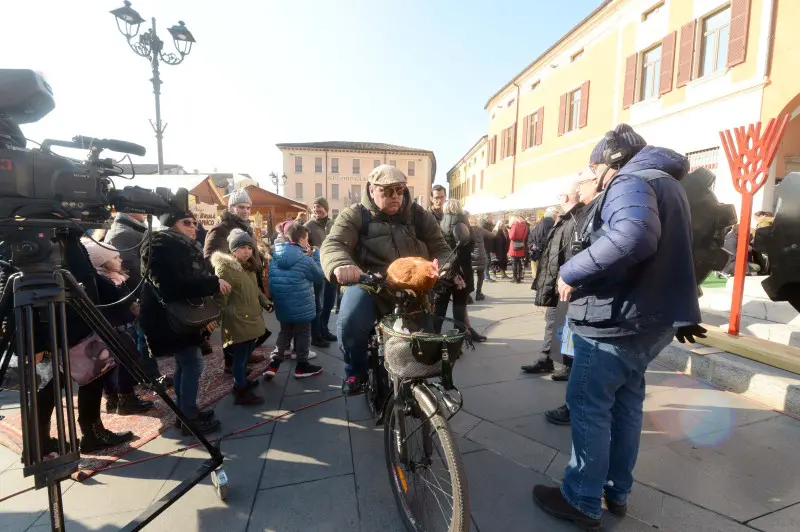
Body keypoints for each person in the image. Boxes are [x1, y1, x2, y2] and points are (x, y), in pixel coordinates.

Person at [532, 124, 705, 529]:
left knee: (589, 407)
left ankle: (581, 498)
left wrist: (572, 270)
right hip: (649, 320)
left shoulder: (629, 181)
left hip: (616, 320)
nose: (592, 177)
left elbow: (634, 237)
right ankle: (616, 493)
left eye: (593, 170)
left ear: (609, 163)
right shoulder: (665, 183)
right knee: (626, 407)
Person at [321, 165, 452, 395]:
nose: (396, 197)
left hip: (411, 286)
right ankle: (355, 371)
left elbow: (440, 247)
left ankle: (421, 390)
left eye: (400, 190)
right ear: (372, 190)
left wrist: (444, 266)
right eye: (388, 191)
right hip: (369, 283)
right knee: (351, 320)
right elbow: (333, 244)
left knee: (426, 341)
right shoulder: (355, 214)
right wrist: (341, 265)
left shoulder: (419, 215)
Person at [141, 210, 230, 435]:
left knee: (186, 363)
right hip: (169, 318)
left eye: (195, 222)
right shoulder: (160, 245)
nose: (194, 227)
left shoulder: (176, 244)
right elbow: (170, 286)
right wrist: (211, 283)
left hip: (179, 315)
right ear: (171, 224)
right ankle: (189, 416)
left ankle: (186, 413)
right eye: (187, 222)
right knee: (193, 363)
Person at [542, 168, 604, 426]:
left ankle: (576, 408)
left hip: (590, 296)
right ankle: (575, 403)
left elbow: (590, 252)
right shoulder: (589, 210)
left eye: (582, 183)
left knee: (585, 357)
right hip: (580, 290)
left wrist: (571, 275)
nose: (579, 189)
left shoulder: (597, 209)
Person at [83, 240, 154, 415]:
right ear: (101, 261)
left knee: (114, 364)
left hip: (117, 325)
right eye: (115, 257)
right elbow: (121, 301)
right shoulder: (104, 281)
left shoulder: (111, 278)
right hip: (116, 327)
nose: (120, 260)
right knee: (127, 361)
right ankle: (125, 399)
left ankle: (113, 398)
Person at [522, 179, 583, 376]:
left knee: (565, 325)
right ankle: (546, 359)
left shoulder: (575, 219)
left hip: (565, 282)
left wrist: (568, 279)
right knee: (552, 321)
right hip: (557, 280)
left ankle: (567, 365)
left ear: (565, 197)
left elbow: (573, 253)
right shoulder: (567, 218)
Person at [204, 189, 267, 370]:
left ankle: (244, 353)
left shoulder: (245, 227)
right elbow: (209, 258)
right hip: (230, 284)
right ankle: (232, 363)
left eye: (248, 207)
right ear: (231, 207)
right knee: (234, 325)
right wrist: (224, 275)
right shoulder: (221, 229)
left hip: (247, 279)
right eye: (241, 207)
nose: (246, 211)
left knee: (248, 321)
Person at [103, 212, 167, 385]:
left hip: (135, 294)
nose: (146, 212)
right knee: (142, 338)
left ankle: (148, 376)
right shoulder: (123, 233)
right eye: (141, 208)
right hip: (134, 295)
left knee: (142, 336)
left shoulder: (130, 229)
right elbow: (132, 269)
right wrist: (144, 295)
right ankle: (148, 377)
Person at [212, 229, 273, 405]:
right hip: (238, 320)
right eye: (242, 247)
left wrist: (265, 302)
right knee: (239, 358)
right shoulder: (227, 268)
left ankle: (241, 382)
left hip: (251, 317)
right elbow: (220, 297)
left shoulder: (248, 267)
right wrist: (214, 319)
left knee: (246, 355)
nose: (247, 251)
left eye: (249, 247)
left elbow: (255, 290)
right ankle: (240, 390)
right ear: (233, 250)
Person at [263, 224, 325, 379]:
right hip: (302, 305)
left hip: (283, 304)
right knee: (303, 334)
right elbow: (319, 277)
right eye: (307, 239)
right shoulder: (305, 259)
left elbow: (271, 281)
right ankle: (302, 366)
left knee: (285, 332)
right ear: (303, 239)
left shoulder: (275, 257)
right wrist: (316, 255)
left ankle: (274, 364)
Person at [433, 200, 486, 341]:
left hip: (444, 270)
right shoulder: (464, 222)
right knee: (459, 306)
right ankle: (459, 338)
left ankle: (434, 336)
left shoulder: (440, 223)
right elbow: (469, 246)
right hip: (461, 269)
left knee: (440, 305)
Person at [306, 197, 338, 347]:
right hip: (317, 269)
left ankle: (325, 329)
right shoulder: (308, 226)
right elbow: (304, 245)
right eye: (314, 207)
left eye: (319, 207)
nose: (316, 210)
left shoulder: (334, 224)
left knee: (329, 301)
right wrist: (311, 250)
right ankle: (316, 334)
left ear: (326, 209)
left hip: (332, 268)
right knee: (317, 303)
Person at [469, 215, 493, 301]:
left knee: (469, 276)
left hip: (470, 256)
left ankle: (468, 296)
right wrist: (496, 228)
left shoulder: (466, 230)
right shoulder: (480, 230)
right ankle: (478, 294)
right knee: (480, 276)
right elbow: (491, 235)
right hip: (481, 255)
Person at [508, 215, 529, 283]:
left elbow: (511, 237)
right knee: (519, 262)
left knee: (514, 262)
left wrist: (509, 231)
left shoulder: (515, 225)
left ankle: (515, 278)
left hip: (514, 245)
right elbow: (525, 235)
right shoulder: (525, 225)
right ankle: (519, 278)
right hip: (521, 244)